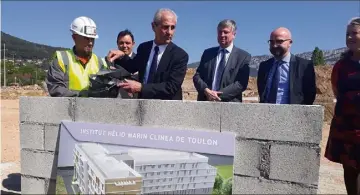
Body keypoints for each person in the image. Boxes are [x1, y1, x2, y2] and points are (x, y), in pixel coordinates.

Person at [106, 8, 189, 100]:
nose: (169, 32)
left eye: (172, 27)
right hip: (143, 107)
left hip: (167, 109)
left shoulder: (180, 55)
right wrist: (121, 55)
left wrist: (141, 87)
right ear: (153, 26)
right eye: (165, 27)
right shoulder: (144, 48)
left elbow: (171, 87)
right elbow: (132, 66)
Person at [325, 17, 360, 195]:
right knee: (350, 172)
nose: (350, 37)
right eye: (347, 34)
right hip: (347, 127)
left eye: (354, 33)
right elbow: (336, 91)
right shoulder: (340, 66)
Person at [46, 16, 110, 97]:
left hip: (94, 108)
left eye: (92, 39)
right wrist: (81, 95)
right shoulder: (62, 59)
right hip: (68, 108)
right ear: (74, 37)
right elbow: (55, 88)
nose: (90, 43)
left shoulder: (101, 62)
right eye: (86, 38)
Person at [192, 19, 251, 102]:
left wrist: (217, 95)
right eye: (220, 32)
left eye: (226, 32)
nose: (222, 35)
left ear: (234, 34)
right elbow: (197, 76)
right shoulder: (208, 53)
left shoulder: (243, 56)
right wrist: (205, 90)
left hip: (230, 106)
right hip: (205, 103)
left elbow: (241, 83)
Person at [257, 27, 316, 105]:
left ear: (290, 43)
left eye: (279, 41)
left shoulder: (304, 66)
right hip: (267, 114)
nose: (274, 45)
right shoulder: (264, 66)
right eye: (271, 42)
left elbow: (310, 94)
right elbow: (262, 91)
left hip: (293, 114)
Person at [111, 29, 138, 98]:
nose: (124, 46)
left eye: (127, 43)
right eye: (121, 43)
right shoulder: (111, 61)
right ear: (117, 43)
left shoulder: (139, 61)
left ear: (133, 44)